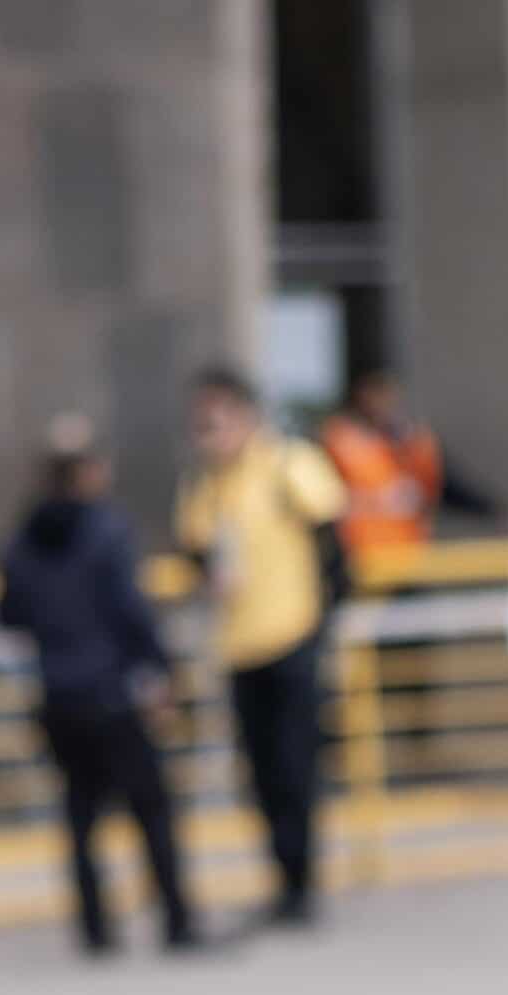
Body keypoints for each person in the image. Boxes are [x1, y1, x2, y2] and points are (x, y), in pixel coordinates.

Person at [0, 422, 200, 955]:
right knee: (150, 809)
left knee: (80, 816)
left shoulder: (25, 537)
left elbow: (8, 611)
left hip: (57, 695)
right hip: (110, 691)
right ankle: (176, 920)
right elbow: (131, 612)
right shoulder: (105, 530)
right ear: (86, 472)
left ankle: (95, 931)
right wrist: (160, 669)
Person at [175, 366, 347, 927]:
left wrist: (322, 628)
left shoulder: (287, 465)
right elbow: (195, 554)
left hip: (292, 639)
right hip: (239, 647)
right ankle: (281, 879)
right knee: (262, 774)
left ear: (245, 416)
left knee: (297, 769)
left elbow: (334, 548)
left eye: (216, 419)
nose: (208, 432)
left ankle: (301, 884)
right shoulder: (205, 486)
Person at [321, 369, 445, 564]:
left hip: (408, 550)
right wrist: (378, 500)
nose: (384, 403)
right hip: (362, 553)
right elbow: (327, 497)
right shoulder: (340, 440)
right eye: (377, 394)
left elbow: (431, 489)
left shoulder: (410, 440)